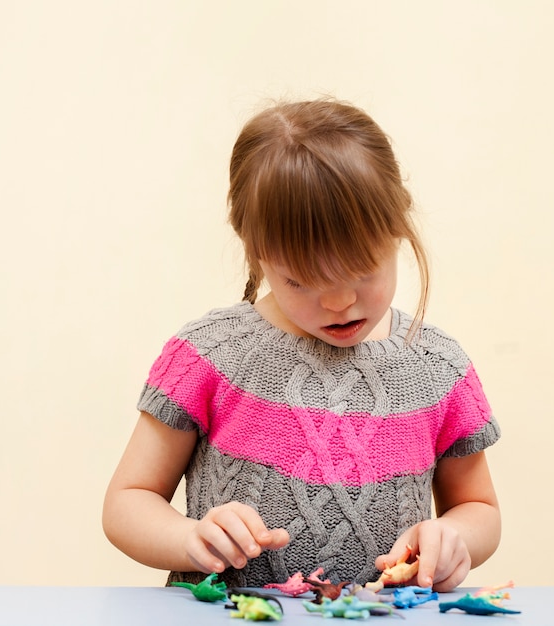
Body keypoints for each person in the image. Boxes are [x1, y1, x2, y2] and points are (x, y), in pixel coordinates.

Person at [102, 99, 501, 593]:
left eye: (363, 270)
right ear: (256, 250)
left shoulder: (438, 368)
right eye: (301, 281)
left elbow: (479, 508)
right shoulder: (210, 355)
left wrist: (452, 536)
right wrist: (188, 538)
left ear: (397, 228)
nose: (340, 301)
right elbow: (127, 501)